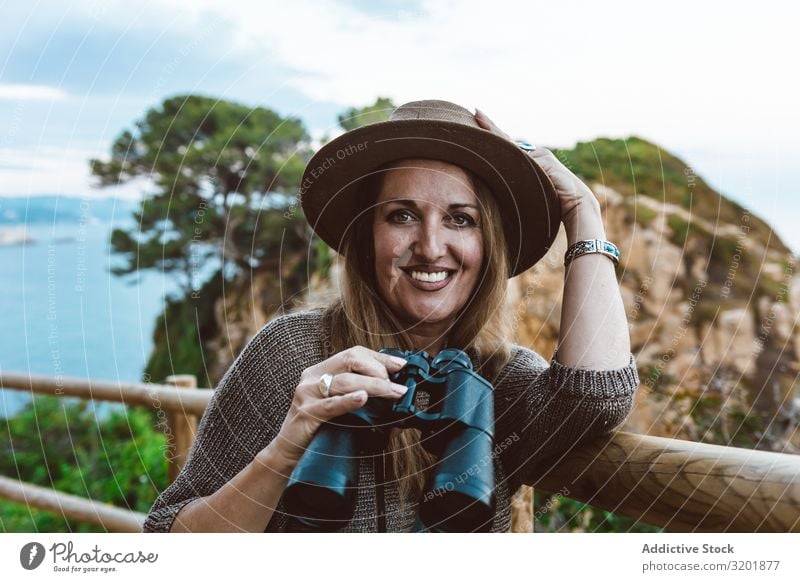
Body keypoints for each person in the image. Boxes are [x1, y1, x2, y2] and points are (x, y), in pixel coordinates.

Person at [143, 99, 639, 533]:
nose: (429, 246)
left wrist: (583, 212)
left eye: (460, 219)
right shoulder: (292, 353)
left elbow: (595, 395)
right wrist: (286, 448)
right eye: (401, 215)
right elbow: (171, 541)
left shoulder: (498, 381)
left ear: (489, 246)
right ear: (367, 238)